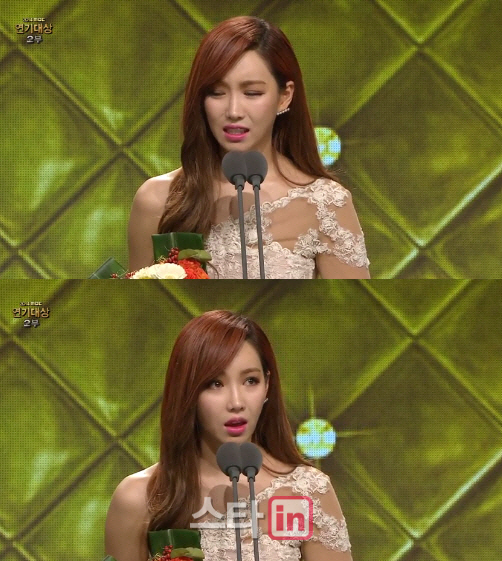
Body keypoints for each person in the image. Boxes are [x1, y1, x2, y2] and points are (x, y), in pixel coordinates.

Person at [128, 16, 370, 279]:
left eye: (252, 93)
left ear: (284, 96)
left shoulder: (325, 204)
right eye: (217, 92)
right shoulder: (157, 199)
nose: (233, 111)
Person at [105, 310, 353, 561]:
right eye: (215, 383)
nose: (236, 402)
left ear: (267, 385)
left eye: (250, 381)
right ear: (187, 391)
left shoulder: (307, 490)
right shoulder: (139, 497)